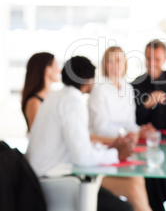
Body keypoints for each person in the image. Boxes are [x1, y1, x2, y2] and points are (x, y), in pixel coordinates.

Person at [25, 56, 133, 211]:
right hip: (55, 183)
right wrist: (115, 154)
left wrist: (109, 149)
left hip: (41, 178)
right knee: (124, 208)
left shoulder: (56, 96)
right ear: (88, 80)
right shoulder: (73, 103)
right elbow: (82, 158)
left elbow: (78, 145)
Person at [88, 46, 152, 211]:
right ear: (105, 65)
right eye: (110, 61)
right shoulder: (99, 89)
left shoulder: (128, 88)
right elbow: (100, 128)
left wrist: (140, 130)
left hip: (122, 149)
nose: (115, 65)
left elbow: (130, 122)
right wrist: (128, 134)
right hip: (102, 151)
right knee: (135, 185)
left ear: (125, 64)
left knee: (138, 179)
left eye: (118, 61)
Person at [132, 40, 166, 211]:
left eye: (156, 59)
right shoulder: (136, 84)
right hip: (147, 145)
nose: (152, 63)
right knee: (151, 174)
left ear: (164, 59)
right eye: (148, 58)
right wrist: (147, 104)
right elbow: (132, 120)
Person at [21, 52, 59, 131]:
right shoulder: (34, 102)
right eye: (56, 66)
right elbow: (38, 133)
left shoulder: (52, 97)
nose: (59, 70)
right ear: (47, 70)